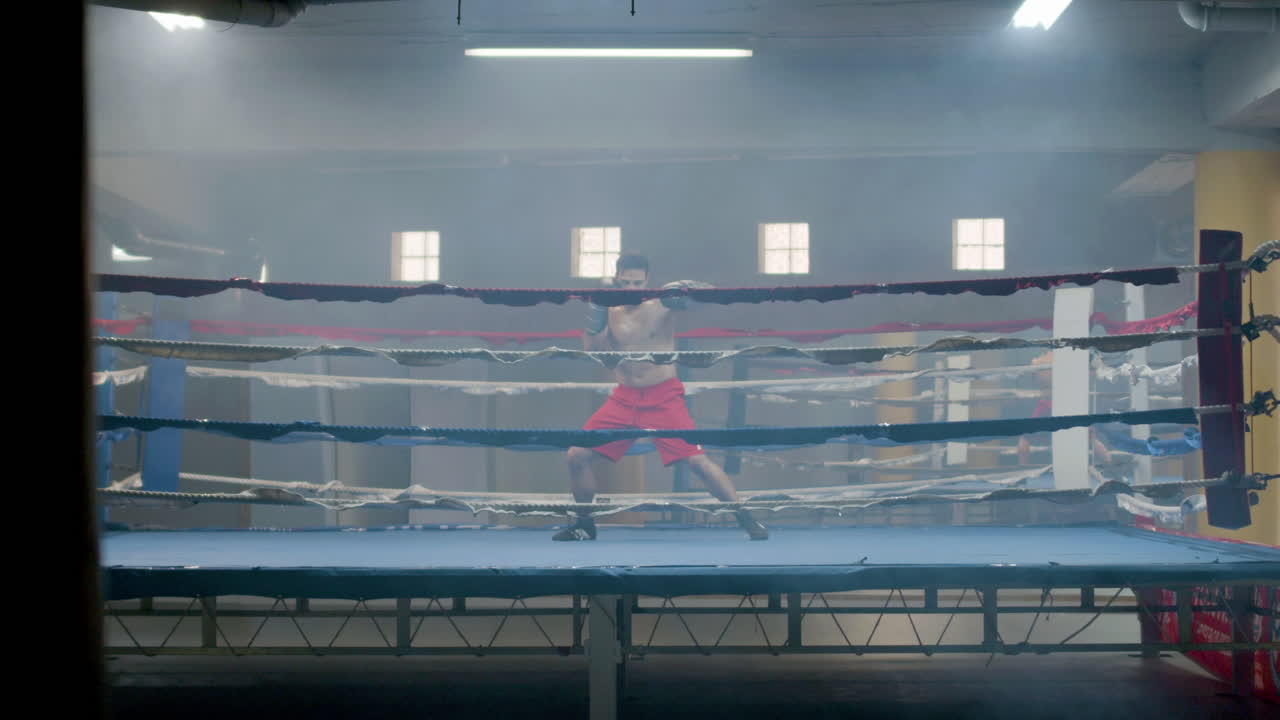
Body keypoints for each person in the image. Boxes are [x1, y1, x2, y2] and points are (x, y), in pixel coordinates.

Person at [554, 253, 769, 541]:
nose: (631, 288)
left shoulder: (662, 304)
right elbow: (599, 355)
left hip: (662, 396)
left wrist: (689, 291)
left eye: (637, 282)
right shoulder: (611, 309)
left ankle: (746, 518)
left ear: (647, 280)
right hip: (624, 397)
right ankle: (584, 524)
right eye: (626, 281)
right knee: (576, 456)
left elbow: (708, 298)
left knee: (697, 462)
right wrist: (597, 316)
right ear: (617, 278)